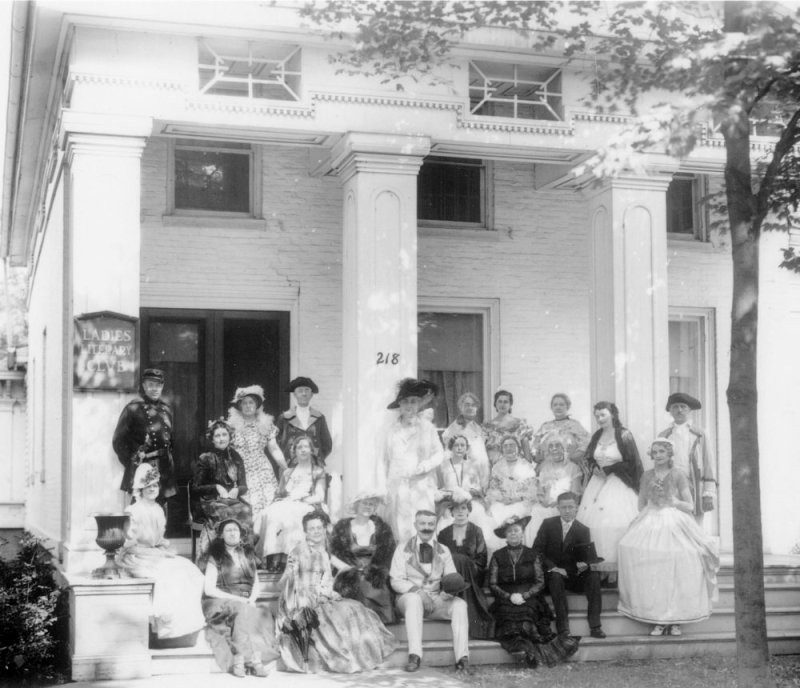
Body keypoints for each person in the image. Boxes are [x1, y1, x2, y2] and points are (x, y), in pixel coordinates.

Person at [618, 439, 720, 636]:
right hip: (652, 517)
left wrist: (673, 501)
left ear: (669, 454)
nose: (658, 455)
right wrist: (649, 509)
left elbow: (689, 506)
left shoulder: (678, 474)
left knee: (680, 559)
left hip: (673, 518)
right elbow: (641, 503)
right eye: (655, 452)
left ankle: (676, 619)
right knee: (643, 557)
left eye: (662, 452)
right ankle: (657, 618)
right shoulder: (647, 475)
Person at [278, 511, 397, 673]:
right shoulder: (299, 551)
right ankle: (346, 659)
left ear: (324, 529)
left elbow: (327, 579)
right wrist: (291, 574)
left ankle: (362, 656)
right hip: (301, 600)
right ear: (305, 532)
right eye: (311, 529)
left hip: (320, 596)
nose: (316, 531)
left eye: (319, 528)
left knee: (355, 608)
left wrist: (328, 591)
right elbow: (288, 585)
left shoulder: (323, 552)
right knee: (337, 616)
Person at [116, 464, 205, 642]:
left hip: (154, 554)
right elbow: (130, 545)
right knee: (169, 573)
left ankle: (183, 627)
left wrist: (164, 549)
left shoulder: (157, 509)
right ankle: (166, 626)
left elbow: (158, 539)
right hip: (136, 557)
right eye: (148, 486)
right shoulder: (132, 511)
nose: (152, 489)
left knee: (189, 569)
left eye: (155, 485)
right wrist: (158, 554)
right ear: (140, 489)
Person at [489, 515, 580, 667]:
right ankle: (523, 652)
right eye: (510, 531)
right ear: (505, 535)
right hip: (506, 597)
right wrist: (509, 596)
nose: (513, 534)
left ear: (522, 532)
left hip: (529, 596)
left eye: (516, 530)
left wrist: (525, 595)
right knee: (508, 621)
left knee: (526, 617)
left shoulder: (533, 554)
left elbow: (539, 582)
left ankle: (530, 653)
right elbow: (492, 583)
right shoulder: (497, 556)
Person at [390, 510, 471, 674]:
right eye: (422, 523)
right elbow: (396, 580)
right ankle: (415, 655)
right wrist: (419, 593)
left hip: (436, 599)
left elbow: (451, 577)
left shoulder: (443, 550)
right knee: (414, 600)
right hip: (408, 598)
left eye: (430, 524)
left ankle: (462, 658)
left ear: (435, 526)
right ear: (415, 525)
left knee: (460, 604)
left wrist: (446, 594)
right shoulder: (402, 549)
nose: (426, 528)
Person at [201, 518, 278, 677]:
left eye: (235, 530)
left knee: (259, 614)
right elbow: (209, 589)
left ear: (240, 534)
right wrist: (240, 601)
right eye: (228, 530)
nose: (232, 533)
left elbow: (256, 583)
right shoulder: (216, 556)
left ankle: (241, 659)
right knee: (242, 610)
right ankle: (252, 662)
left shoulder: (248, 554)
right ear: (221, 535)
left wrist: (252, 599)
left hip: (245, 601)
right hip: (220, 601)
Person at [576, 402, 642, 580]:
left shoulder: (624, 434)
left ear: (613, 414)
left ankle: (614, 572)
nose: (599, 419)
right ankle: (599, 571)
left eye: (603, 415)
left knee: (614, 524)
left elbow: (632, 461)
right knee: (593, 525)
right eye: (596, 415)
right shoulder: (597, 435)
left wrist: (610, 469)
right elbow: (589, 457)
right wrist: (594, 467)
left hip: (618, 484)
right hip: (597, 484)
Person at [533, 491, 606, 639]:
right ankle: (563, 628)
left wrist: (585, 563)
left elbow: (584, 554)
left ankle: (595, 626)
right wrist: (554, 567)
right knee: (555, 576)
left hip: (572, 575)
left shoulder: (583, 529)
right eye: (563, 507)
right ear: (558, 508)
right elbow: (537, 551)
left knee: (593, 576)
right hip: (552, 575)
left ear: (577, 508)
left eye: (570, 507)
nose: (567, 511)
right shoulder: (548, 524)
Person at [383, 378, 444, 543]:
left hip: (421, 487)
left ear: (418, 405)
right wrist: (386, 488)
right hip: (398, 488)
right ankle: (402, 566)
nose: (409, 406)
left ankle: (425, 566)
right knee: (400, 532)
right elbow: (386, 461)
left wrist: (424, 466)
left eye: (413, 402)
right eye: (405, 402)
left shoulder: (427, 428)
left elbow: (439, 454)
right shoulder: (392, 431)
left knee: (423, 530)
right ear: (400, 406)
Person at [257, 436, 327, 571]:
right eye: (299, 447)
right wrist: (282, 499)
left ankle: (294, 557)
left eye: (306, 447)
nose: (303, 450)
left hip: (308, 503)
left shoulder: (318, 471)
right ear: (294, 451)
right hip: (287, 503)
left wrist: (301, 498)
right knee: (271, 513)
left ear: (312, 450)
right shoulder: (288, 472)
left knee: (294, 513)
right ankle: (275, 556)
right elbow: (279, 494)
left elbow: (320, 496)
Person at [330, 492, 396, 624]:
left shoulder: (382, 529)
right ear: (356, 505)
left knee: (373, 589)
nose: (368, 506)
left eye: (371, 504)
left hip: (374, 577)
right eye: (364, 503)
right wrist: (345, 568)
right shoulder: (342, 528)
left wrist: (375, 572)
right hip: (348, 577)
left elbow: (387, 556)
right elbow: (331, 552)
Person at [113, 368, 176, 502]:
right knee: (141, 509)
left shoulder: (167, 409)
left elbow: (171, 440)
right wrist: (134, 461)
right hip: (143, 466)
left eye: (158, 385)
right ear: (144, 386)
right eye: (150, 385)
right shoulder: (133, 408)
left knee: (162, 512)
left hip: (164, 467)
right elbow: (118, 441)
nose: (155, 389)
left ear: (162, 386)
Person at [192, 419, 253, 559]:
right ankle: (219, 555)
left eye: (224, 435)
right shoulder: (205, 458)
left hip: (231, 501)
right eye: (217, 436)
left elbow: (244, 485)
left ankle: (244, 555)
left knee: (246, 509)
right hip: (208, 501)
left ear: (229, 437)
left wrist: (237, 490)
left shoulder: (236, 457)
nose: (221, 439)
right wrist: (217, 487)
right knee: (226, 511)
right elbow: (195, 488)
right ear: (212, 439)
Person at [437, 493, 495, 639]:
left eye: (463, 508)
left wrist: (463, 562)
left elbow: (482, 559)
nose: (460, 512)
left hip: (473, 573)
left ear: (469, 510)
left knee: (459, 559)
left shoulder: (476, 531)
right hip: (449, 574)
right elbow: (439, 557)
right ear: (452, 512)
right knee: (455, 559)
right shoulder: (444, 533)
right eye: (456, 509)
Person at [226, 385, 287, 521]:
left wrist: (285, 468)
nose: (248, 406)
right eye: (244, 403)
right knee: (246, 508)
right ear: (239, 406)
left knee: (267, 506)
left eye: (251, 402)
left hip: (262, 470)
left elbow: (274, 448)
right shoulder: (230, 427)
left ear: (257, 405)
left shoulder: (266, 425)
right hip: (241, 471)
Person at [658, 392, 717, 523]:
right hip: (671, 487)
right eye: (675, 407)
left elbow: (708, 463)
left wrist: (708, 493)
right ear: (670, 411)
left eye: (683, 406)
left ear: (689, 409)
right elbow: (659, 464)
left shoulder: (700, 434)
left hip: (694, 485)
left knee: (694, 527)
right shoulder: (664, 435)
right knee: (672, 526)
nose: (679, 410)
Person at [485, 435, 547, 550]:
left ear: (518, 448)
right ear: (502, 449)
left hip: (522, 501)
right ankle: (502, 552)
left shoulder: (526, 466)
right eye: (506, 446)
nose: (509, 448)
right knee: (495, 513)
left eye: (512, 445)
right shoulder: (497, 467)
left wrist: (517, 498)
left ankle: (523, 551)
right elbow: (493, 487)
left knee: (523, 514)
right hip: (503, 501)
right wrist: (501, 498)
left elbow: (532, 487)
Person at [435, 434, 492, 533]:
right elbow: (439, 486)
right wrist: (449, 495)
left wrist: (467, 494)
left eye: (462, 445)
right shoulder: (442, 466)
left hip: (468, 501)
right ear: (451, 447)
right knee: (448, 518)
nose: (459, 448)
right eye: (456, 445)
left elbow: (476, 487)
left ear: (467, 448)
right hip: (449, 502)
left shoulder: (472, 466)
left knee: (477, 513)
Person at [276, 377, 332, 466]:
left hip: (314, 467)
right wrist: (286, 460)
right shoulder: (284, 418)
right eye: (300, 390)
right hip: (290, 466)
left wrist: (316, 459)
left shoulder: (319, 418)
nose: (304, 393)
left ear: (311, 394)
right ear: (294, 394)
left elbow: (327, 445)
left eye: (307, 390)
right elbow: (276, 443)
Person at [441, 392, 490, 489]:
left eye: (473, 405)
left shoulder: (477, 428)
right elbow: (449, 454)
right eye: (467, 405)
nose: (470, 407)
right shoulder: (454, 428)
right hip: (465, 473)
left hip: (481, 470)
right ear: (460, 407)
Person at [531, 393, 591, 466]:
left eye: (561, 404)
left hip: (569, 467)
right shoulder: (545, 426)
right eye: (555, 405)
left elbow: (586, 444)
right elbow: (535, 446)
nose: (558, 407)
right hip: (547, 468)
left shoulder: (575, 425)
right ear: (551, 408)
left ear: (567, 407)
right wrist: (536, 456)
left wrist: (573, 458)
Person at [536, 431, 583, 514]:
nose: (554, 448)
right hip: (545, 508)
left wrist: (558, 504)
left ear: (563, 448)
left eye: (557, 445)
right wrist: (544, 503)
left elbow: (575, 494)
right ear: (548, 450)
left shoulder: (573, 468)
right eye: (551, 446)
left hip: (566, 509)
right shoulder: (544, 469)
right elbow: (540, 493)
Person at [482, 389, 533, 465]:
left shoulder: (520, 424)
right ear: (495, 404)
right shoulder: (487, 427)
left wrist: (528, 470)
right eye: (500, 401)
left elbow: (526, 452)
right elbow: (483, 452)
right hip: (495, 468)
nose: (502, 404)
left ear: (510, 404)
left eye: (506, 402)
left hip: (516, 468)